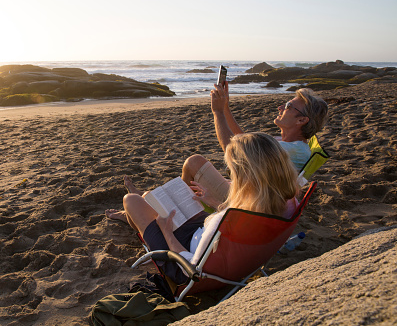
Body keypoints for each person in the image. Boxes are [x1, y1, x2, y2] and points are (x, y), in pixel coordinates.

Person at [119, 132, 300, 284]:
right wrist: (214, 203)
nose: (230, 176)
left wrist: (167, 233)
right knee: (150, 199)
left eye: (231, 171)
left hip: (187, 261)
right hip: (216, 245)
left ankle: (136, 219)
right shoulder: (289, 203)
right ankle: (140, 211)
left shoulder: (226, 219)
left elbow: (191, 267)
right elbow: (238, 222)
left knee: (131, 200)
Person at [181, 82, 328, 205]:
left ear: (301, 120)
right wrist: (225, 108)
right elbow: (242, 139)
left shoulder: (293, 150)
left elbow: (233, 151)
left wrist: (217, 112)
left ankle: (186, 215)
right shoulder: (286, 143)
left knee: (193, 162)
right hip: (248, 192)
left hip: (248, 202)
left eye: (288, 106)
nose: (281, 107)